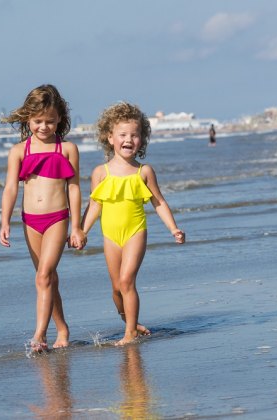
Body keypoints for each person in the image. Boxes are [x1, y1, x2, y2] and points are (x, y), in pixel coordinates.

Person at [81, 102, 185, 346]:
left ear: (142, 140)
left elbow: (158, 202)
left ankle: (129, 334)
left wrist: (173, 228)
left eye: (135, 135)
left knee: (127, 280)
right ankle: (130, 322)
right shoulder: (100, 172)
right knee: (117, 289)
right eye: (123, 135)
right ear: (110, 138)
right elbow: (95, 205)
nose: (129, 139)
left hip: (135, 231)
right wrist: (81, 231)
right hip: (110, 235)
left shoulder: (144, 172)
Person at [0, 84, 85, 353]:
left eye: (49, 121)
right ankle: (62, 329)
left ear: (60, 118)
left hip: (57, 219)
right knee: (47, 278)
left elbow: (73, 187)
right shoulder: (18, 151)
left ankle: (39, 335)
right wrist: (4, 222)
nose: (44, 127)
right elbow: (11, 188)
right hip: (30, 221)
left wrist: (77, 226)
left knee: (44, 276)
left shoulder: (67, 149)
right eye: (38, 121)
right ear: (28, 119)